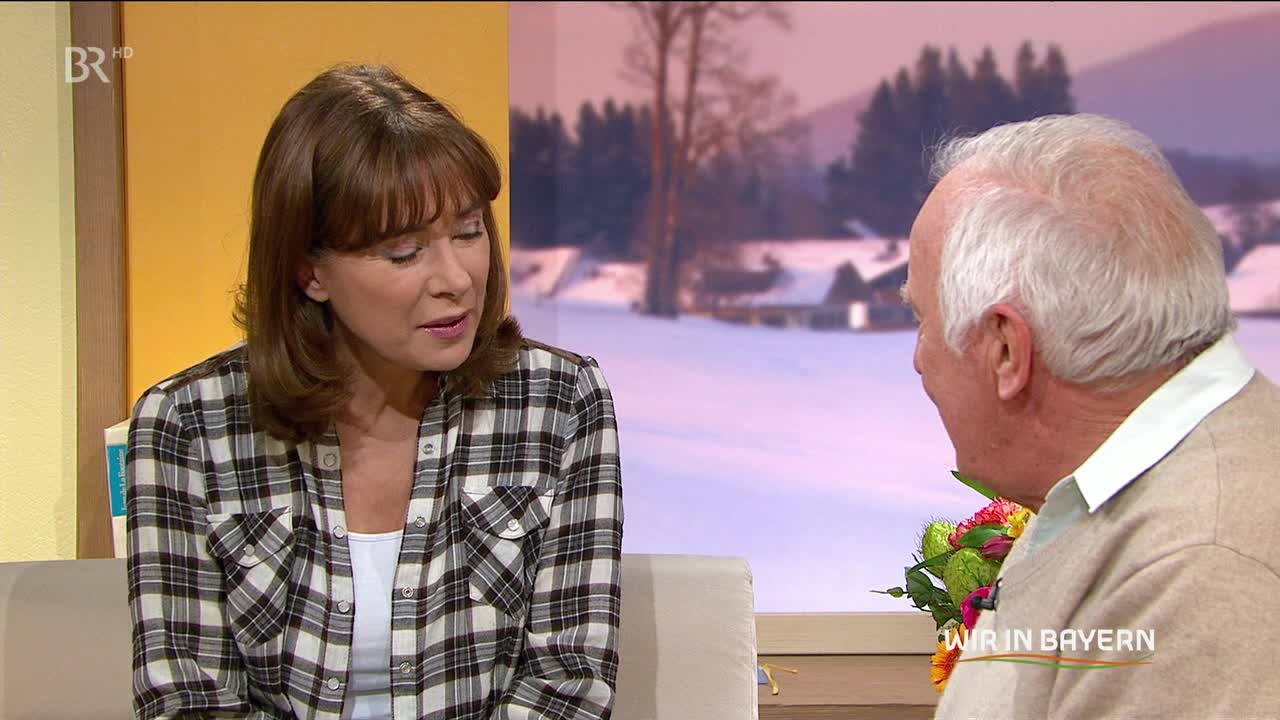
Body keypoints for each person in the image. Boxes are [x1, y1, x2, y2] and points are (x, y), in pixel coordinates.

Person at [125, 64, 623, 720]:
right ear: (310, 271)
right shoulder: (187, 426)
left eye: (469, 231)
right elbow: (188, 700)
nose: (456, 279)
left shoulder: (560, 402)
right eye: (403, 252)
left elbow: (567, 686)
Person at [901, 113, 1280, 718]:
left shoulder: (1198, 571)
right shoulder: (1106, 490)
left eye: (924, 321)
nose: (919, 360)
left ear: (1006, 350)